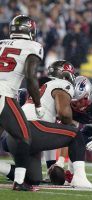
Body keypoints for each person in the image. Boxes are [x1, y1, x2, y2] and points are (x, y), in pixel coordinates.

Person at [0, 60, 92, 189]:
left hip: (13, 136)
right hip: (32, 128)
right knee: (75, 133)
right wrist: (68, 125)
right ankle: (80, 178)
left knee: (32, 178)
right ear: (67, 75)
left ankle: (3, 168)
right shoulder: (62, 84)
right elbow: (64, 114)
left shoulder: (43, 86)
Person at [0, 15, 44, 191]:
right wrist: (38, 105)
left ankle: (16, 176)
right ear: (31, 30)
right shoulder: (33, 46)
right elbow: (31, 77)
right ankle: (20, 182)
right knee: (24, 136)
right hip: (4, 94)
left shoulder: (1, 43)